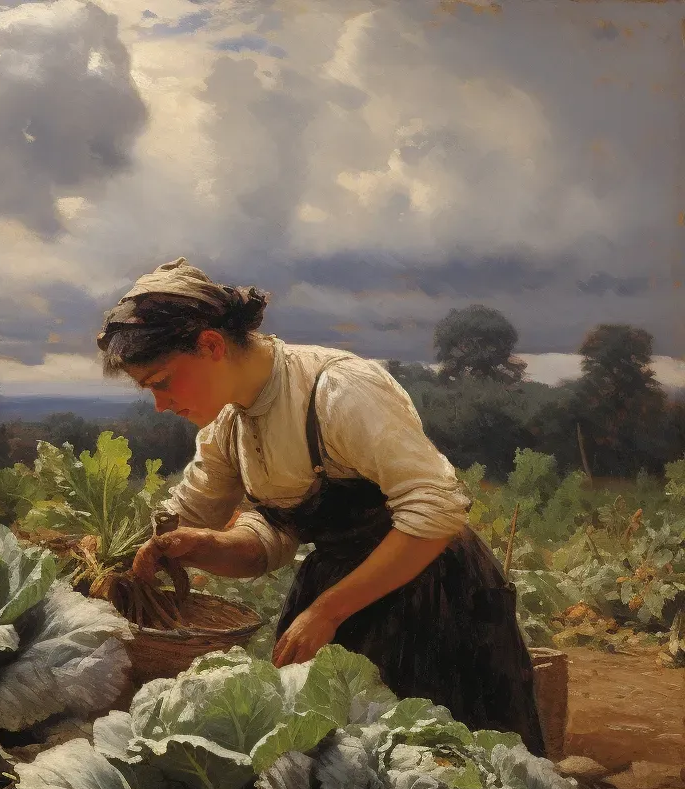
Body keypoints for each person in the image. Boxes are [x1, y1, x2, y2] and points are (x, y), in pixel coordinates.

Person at [95, 257, 546, 754]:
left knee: (435, 763)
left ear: (210, 345)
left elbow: (436, 512)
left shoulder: (338, 389)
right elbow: (265, 534)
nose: (160, 404)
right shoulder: (229, 427)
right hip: (333, 598)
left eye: (162, 381)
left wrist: (328, 611)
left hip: (433, 597)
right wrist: (204, 544)